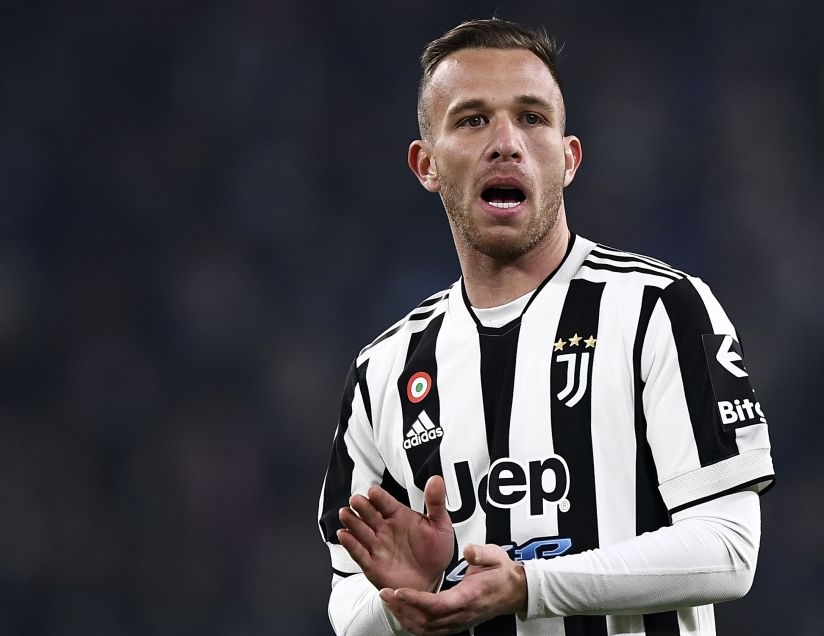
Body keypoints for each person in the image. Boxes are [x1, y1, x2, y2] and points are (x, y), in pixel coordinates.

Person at [317, 17, 774, 636]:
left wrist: (527, 587)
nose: (506, 141)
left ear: (568, 158)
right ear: (425, 164)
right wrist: (411, 594)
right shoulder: (383, 374)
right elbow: (349, 610)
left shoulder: (661, 309)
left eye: (532, 117)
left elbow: (729, 549)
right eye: (472, 119)